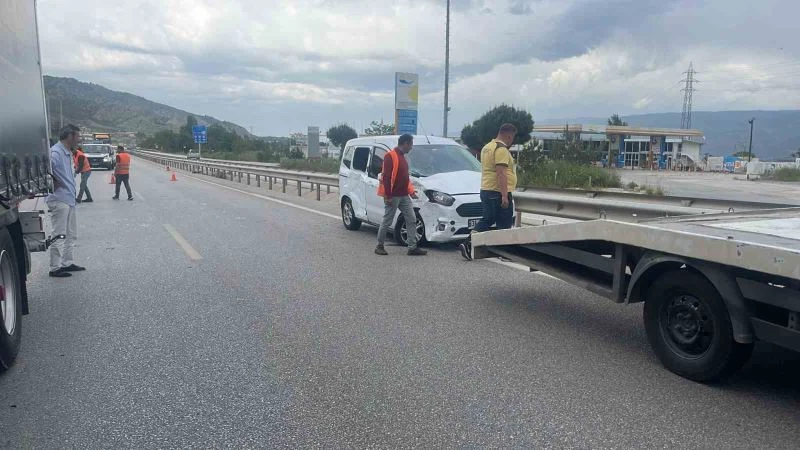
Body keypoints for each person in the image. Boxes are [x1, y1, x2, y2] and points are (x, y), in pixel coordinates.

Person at [459, 123, 518, 261]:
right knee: (503, 222)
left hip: (486, 189)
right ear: (508, 136)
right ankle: (470, 243)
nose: (512, 141)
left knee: (489, 219)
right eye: (512, 138)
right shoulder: (501, 149)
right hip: (497, 191)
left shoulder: (487, 147)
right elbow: (501, 173)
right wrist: (504, 195)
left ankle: (470, 243)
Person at [375, 134, 427, 256]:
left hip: (404, 195)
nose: (411, 147)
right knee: (387, 220)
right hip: (393, 195)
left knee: (412, 219)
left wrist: (411, 192)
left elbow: (405, 178)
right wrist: (387, 195)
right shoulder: (390, 156)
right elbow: (386, 177)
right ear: (405, 143)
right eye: (411, 144)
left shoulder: (403, 157)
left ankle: (412, 247)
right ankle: (379, 245)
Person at [47, 124, 86, 277]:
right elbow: (48, 172)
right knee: (59, 234)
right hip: (59, 199)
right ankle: (55, 268)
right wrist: (55, 185)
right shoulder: (55, 153)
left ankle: (67, 262)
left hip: (69, 199)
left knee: (71, 233)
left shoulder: (68, 153)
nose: (79, 139)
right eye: (77, 136)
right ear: (70, 136)